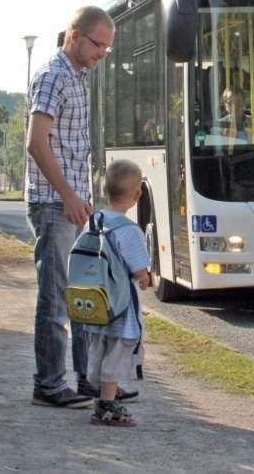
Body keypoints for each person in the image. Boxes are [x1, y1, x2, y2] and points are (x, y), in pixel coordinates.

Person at [26, 6, 138, 408]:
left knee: (83, 297)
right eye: (98, 45)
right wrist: (68, 195)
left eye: (107, 47)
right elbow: (37, 142)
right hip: (54, 204)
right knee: (55, 298)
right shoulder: (54, 75)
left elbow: (71, 146)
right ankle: (49, 384)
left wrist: (82, 196)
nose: (102, 54)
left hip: (73, 204)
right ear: (74, 36)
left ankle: (88, 380)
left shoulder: (79, 76)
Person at [86, 160, 150, 427]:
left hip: (97, 302)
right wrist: (146, 279)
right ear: (137, 195)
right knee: (116, 354)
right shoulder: (129, 230)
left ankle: (100, 397)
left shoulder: (95, 220)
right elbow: (138, 270)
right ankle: (107, 405)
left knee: (99, 350)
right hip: (121, 308)